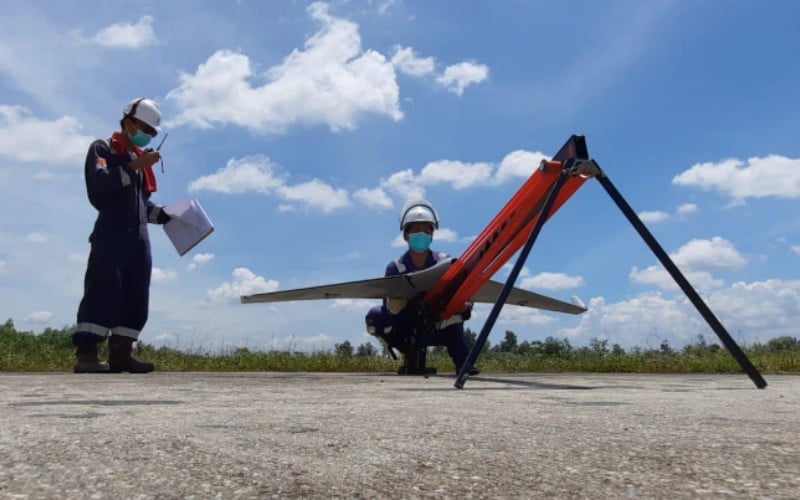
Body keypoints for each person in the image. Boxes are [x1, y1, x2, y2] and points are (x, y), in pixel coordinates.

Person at [72, 97, 171, 373]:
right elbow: (101, 187)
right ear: (128, 122)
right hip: (111, 233)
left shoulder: (136, 162)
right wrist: (136, 167)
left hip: (138, 240)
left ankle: (122, 354)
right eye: (144, 129)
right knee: (103, 290)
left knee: (136, 295)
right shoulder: (103, 149)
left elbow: (140, 204)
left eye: (151, 133)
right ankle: (87, 354)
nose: (147, 136)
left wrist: (164, 215)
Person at [365, 198, 479, 376]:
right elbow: (389, 306)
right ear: (406, 236)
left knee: (453, 317)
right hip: (405, 328)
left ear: (432, 235)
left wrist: (465, 307)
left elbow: (464, 291)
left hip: (435, 323)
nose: (421, 234)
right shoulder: (396, 267)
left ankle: (463, 363)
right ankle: (406, 353)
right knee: (375, 315)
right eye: (416, 230)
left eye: (426, 230)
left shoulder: (445, 262)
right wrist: (393, 307)